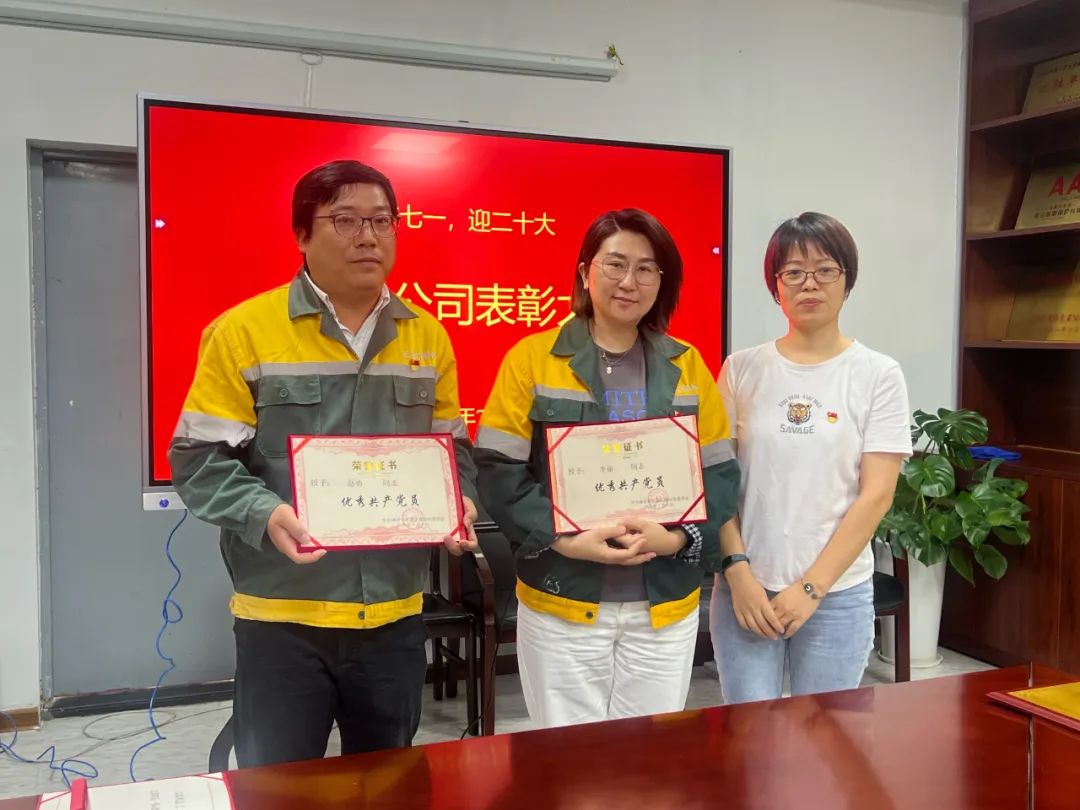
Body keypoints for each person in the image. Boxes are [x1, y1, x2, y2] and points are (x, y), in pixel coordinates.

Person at [168, 159, 479, 767]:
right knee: (278, 787)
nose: (368, 237)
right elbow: (199, 459)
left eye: (382, 221)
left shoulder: (428, 337)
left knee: (387, 783)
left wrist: (458, 500)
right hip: (283, 616)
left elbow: (452, 449)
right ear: (302, 235)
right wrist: (265, 513)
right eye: (345, 220)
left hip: (394, 614)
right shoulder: (244, 332)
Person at [475, 208, 739, 728]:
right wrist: (565, 539)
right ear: (585, 272)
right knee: (567, 756)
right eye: (615, 264)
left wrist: (677, 539)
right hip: (563, 598)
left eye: (646, 269)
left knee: (647, 757)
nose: (629, 281)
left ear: (662, 282)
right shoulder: (532, 359)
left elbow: (721, 477)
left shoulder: (687, 365)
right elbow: (498, 471)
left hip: (663, 605)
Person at [709, 211, 912, 703]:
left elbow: (876, 495)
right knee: (749, 735)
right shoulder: (740, 369)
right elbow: (715, 482)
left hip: (836, 595)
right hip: (746, 590)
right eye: (794, 272)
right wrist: (737, 573)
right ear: (775, 286)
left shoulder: (878, 374)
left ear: (847, 280)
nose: (810, 283)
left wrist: (811, 588)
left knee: (827, 737)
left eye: (825, 270)